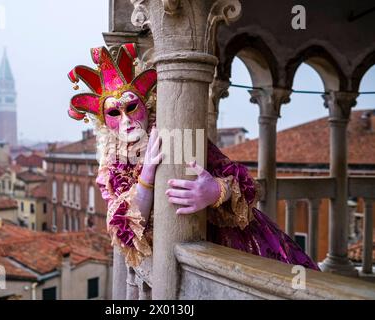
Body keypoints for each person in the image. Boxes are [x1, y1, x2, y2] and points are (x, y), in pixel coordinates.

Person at [67, 43, 319, 271]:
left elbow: (246, 185)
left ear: (145, 105)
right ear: (104, 123)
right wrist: (147, 176)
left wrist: (216, 191)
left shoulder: (177, 135)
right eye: (114, 113)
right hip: (177, 257)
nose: (126, 120)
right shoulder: (111, 170)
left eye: (131, 107)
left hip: (236, 246)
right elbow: (125, 229)